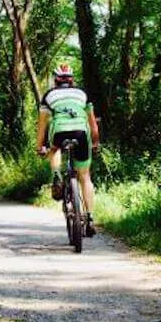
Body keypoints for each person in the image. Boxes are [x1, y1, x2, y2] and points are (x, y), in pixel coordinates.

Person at [36, 63, 100, 237]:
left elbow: (42, 125)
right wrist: (95, 143)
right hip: (81, 132)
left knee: (55, 148)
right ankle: (90, 217)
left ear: (55, 80)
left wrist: (39, 146)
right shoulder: (82, 94)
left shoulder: (49, 95)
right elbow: (93, 124)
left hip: (59, 132)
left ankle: (56, 175)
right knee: (85, 176)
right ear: (72, 80)